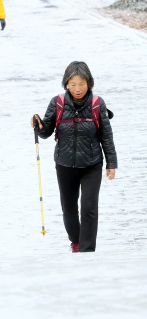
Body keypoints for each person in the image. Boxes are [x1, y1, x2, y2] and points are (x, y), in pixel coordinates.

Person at [31, 61, 117, 253]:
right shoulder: (58, 103)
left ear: (89, 84)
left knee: (89, 207)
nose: (78, 89)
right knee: (69, 209)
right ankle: (76, 241)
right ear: (66, 84)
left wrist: (111, 163)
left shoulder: (97, 104)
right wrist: (39, 126)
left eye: (82, 84)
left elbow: (106, 135)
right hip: (65, 164)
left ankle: (86, 250)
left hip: (91, 165)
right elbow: (46, 132)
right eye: (73, 84)